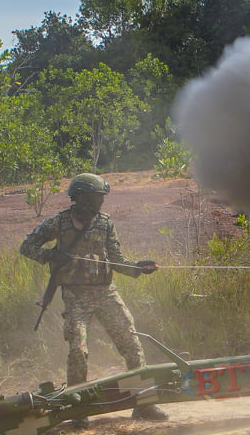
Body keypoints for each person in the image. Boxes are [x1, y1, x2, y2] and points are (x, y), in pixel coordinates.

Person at [18, 174, 164, 417]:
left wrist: (138, 268)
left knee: (131, 344)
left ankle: (144, 403)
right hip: (76, 297)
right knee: (78, 351)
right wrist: (51, 256)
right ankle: (78, 409)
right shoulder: (58, 223)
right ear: (81, 197)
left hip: (106, 294)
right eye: (97, 196)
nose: (101, 202)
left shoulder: (105, 223)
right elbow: (27, 247)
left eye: (102, 197)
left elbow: (116, 259)